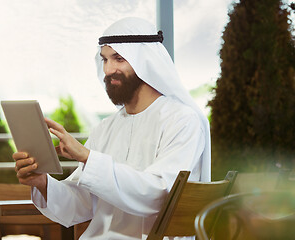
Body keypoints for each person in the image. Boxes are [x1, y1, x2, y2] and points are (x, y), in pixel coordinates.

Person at [13, 17, 211, 240]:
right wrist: (43, 183)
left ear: (145, 61)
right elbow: (81, 204)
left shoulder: (183, 121)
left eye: (118, 58)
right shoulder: (105, 129)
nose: (108, 69)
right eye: (104, 59)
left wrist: (88, 158)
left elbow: (160, 195)